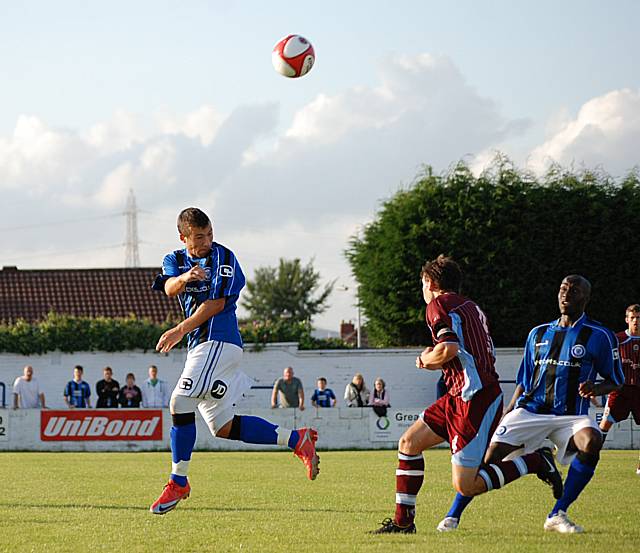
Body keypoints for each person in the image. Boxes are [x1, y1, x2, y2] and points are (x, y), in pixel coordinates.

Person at [373, 255, 562, 535]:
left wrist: (426, 360)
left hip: (475, 397)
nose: (421, 290)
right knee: (409, 442)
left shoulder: (438, 305)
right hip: (459, 394)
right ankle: (403, 523)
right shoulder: (471, 306)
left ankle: (535, 460)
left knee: (466, 484)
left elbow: (448, 347)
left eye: (422, 284)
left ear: (430, 282)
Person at [149, 207, 319, 515]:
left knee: (179, 402)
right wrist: (186, 277)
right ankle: (297, 439)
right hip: (203, 348)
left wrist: (179, 329)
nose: (207, 240)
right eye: (200, 236)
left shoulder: (224, 258)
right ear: (183, 237)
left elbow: (215, 304)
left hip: (218, 342)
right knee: (222, 426)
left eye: (210, 233)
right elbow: (168, 286)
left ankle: (178, 482)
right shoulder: (174, 259)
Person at [439, 275, 624, 534]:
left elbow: (616, 380)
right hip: (530, 410)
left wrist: (596, 387)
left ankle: (557, 513)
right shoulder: (538, 333)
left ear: (586, 297)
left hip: (571, 416)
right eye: (562, 288)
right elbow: (524, 379)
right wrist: (510, 409)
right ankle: (452, 516)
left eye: (574, 290)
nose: (566, 293)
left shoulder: (600, 335)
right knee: (489, 458)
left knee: (593, 440)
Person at [599, 303, 640, 474]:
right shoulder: (617, 340)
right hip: (620, 390)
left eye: (638, 318)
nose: (636, 321)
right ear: (627, 320)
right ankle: (589, 459)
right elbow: (605, 363)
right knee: (604, 425)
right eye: (633, 318)